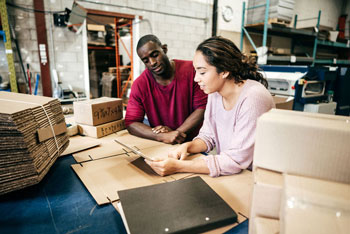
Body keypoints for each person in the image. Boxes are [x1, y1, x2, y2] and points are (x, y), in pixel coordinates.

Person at [145, 36, 275, 177]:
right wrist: (187, 146)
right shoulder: (215, 93)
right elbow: (208, 136)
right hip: (233, 173)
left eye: (202, 72)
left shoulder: (253, 97)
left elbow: (235, 161)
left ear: (224, 71)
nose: (196, 78)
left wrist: (178, 166)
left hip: (256, 177)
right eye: (195, 71)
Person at [125, 34, 207, 144]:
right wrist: (161, 136)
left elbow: (202, 108)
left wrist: (176, 133)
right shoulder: (140, 85)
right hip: (163, 144)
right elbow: (131, 122)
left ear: (164, 49)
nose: (152, 62)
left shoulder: (191, 71)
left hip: (195, 142)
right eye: (146, 60)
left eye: (154, 55)